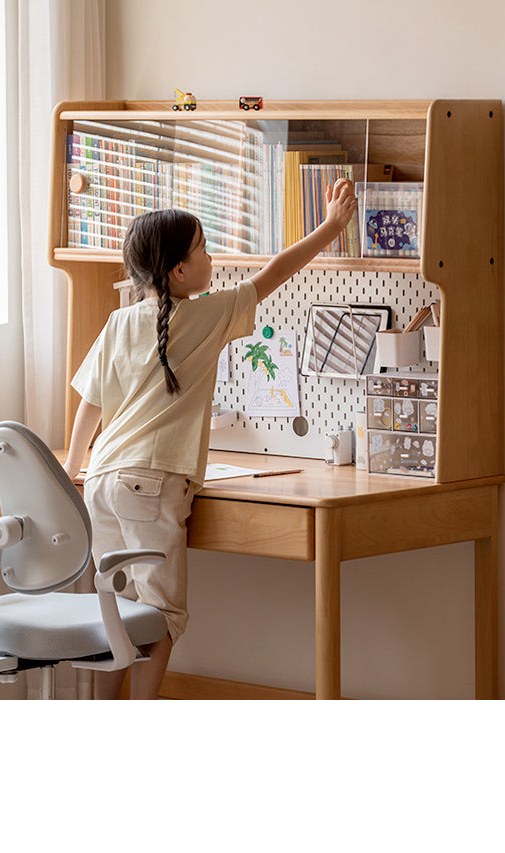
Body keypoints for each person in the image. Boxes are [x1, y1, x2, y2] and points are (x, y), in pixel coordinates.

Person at [63, 178, 358, 699]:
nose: (211, 254)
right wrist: (331, 227)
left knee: (114, 613)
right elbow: (274, 274)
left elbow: (90, 405)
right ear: (180, 270)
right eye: (202, 247)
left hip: (102, 482)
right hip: (150, 486)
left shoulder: (118, 321)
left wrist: (70, 474)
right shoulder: (208, 313)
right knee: (160, 619)